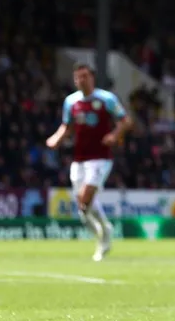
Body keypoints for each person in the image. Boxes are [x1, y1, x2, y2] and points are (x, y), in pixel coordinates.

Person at [46, 63, 132, 261]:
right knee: (83, 208)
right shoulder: (71, 102)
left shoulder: (106, 99)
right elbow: (66, 126)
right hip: (79, 159)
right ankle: (105, 231)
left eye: (84, 76)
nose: (81, 80)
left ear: (92, 78)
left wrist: (114, 135)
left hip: (101, 158)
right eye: (78, 77)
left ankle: (104, 239)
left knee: (85, 198)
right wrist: (56, 139)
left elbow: (126, 121)